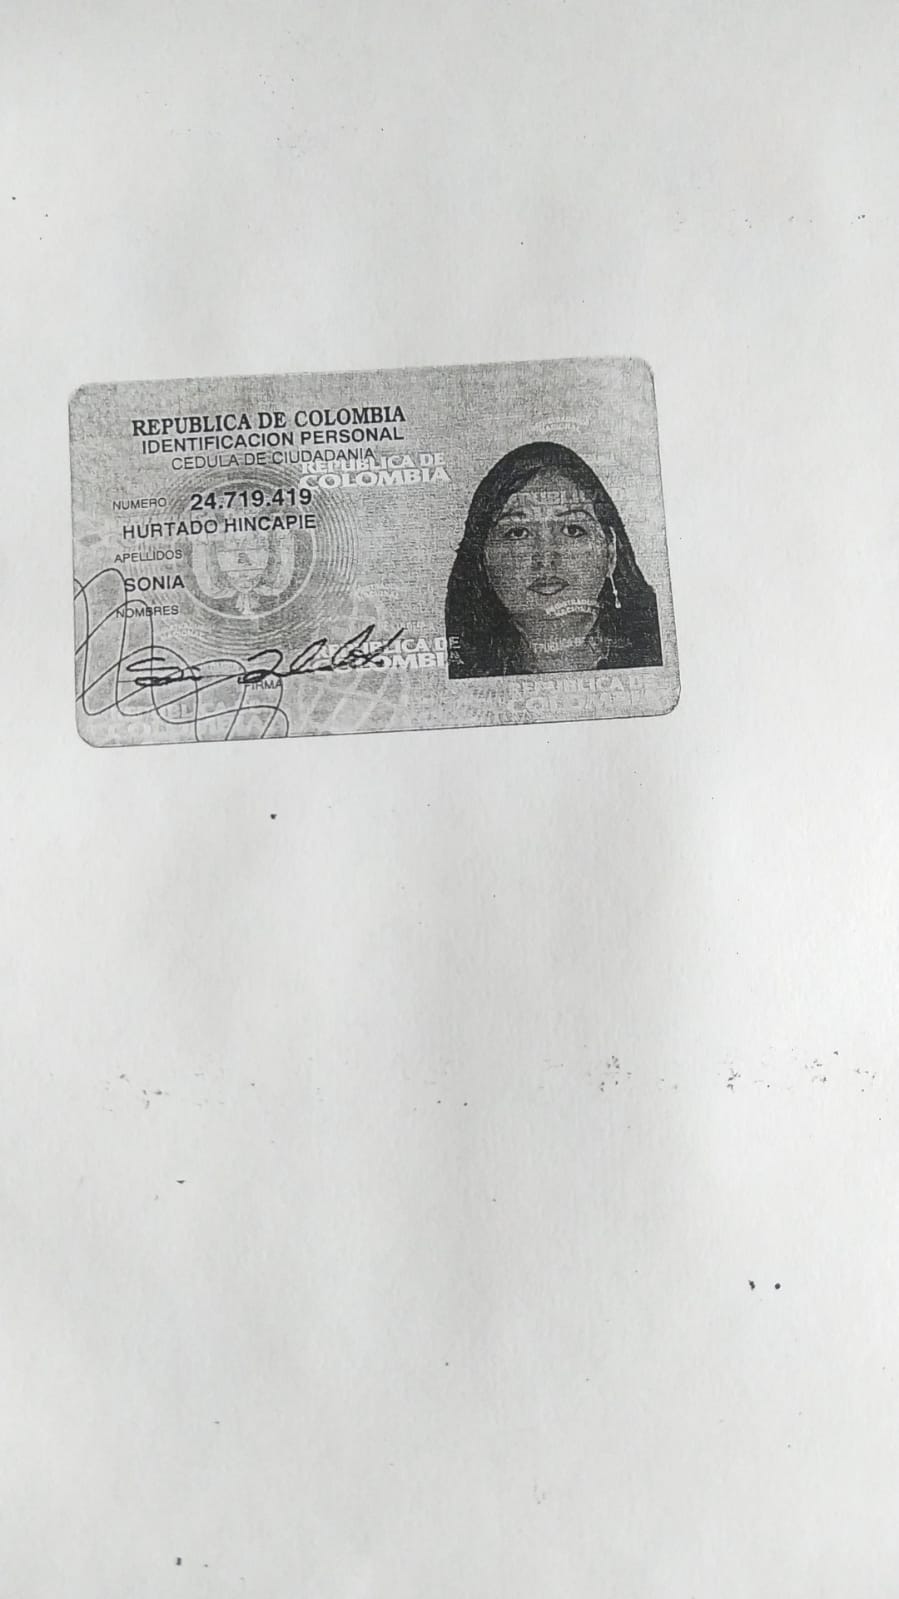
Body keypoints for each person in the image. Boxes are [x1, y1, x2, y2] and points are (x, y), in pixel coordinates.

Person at [446, 441, 662, 678]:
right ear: (482, 556)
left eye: (572, 530)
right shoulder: (459, 668)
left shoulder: (656, 651)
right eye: (518, 532)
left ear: (610, 550)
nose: (546, 558)